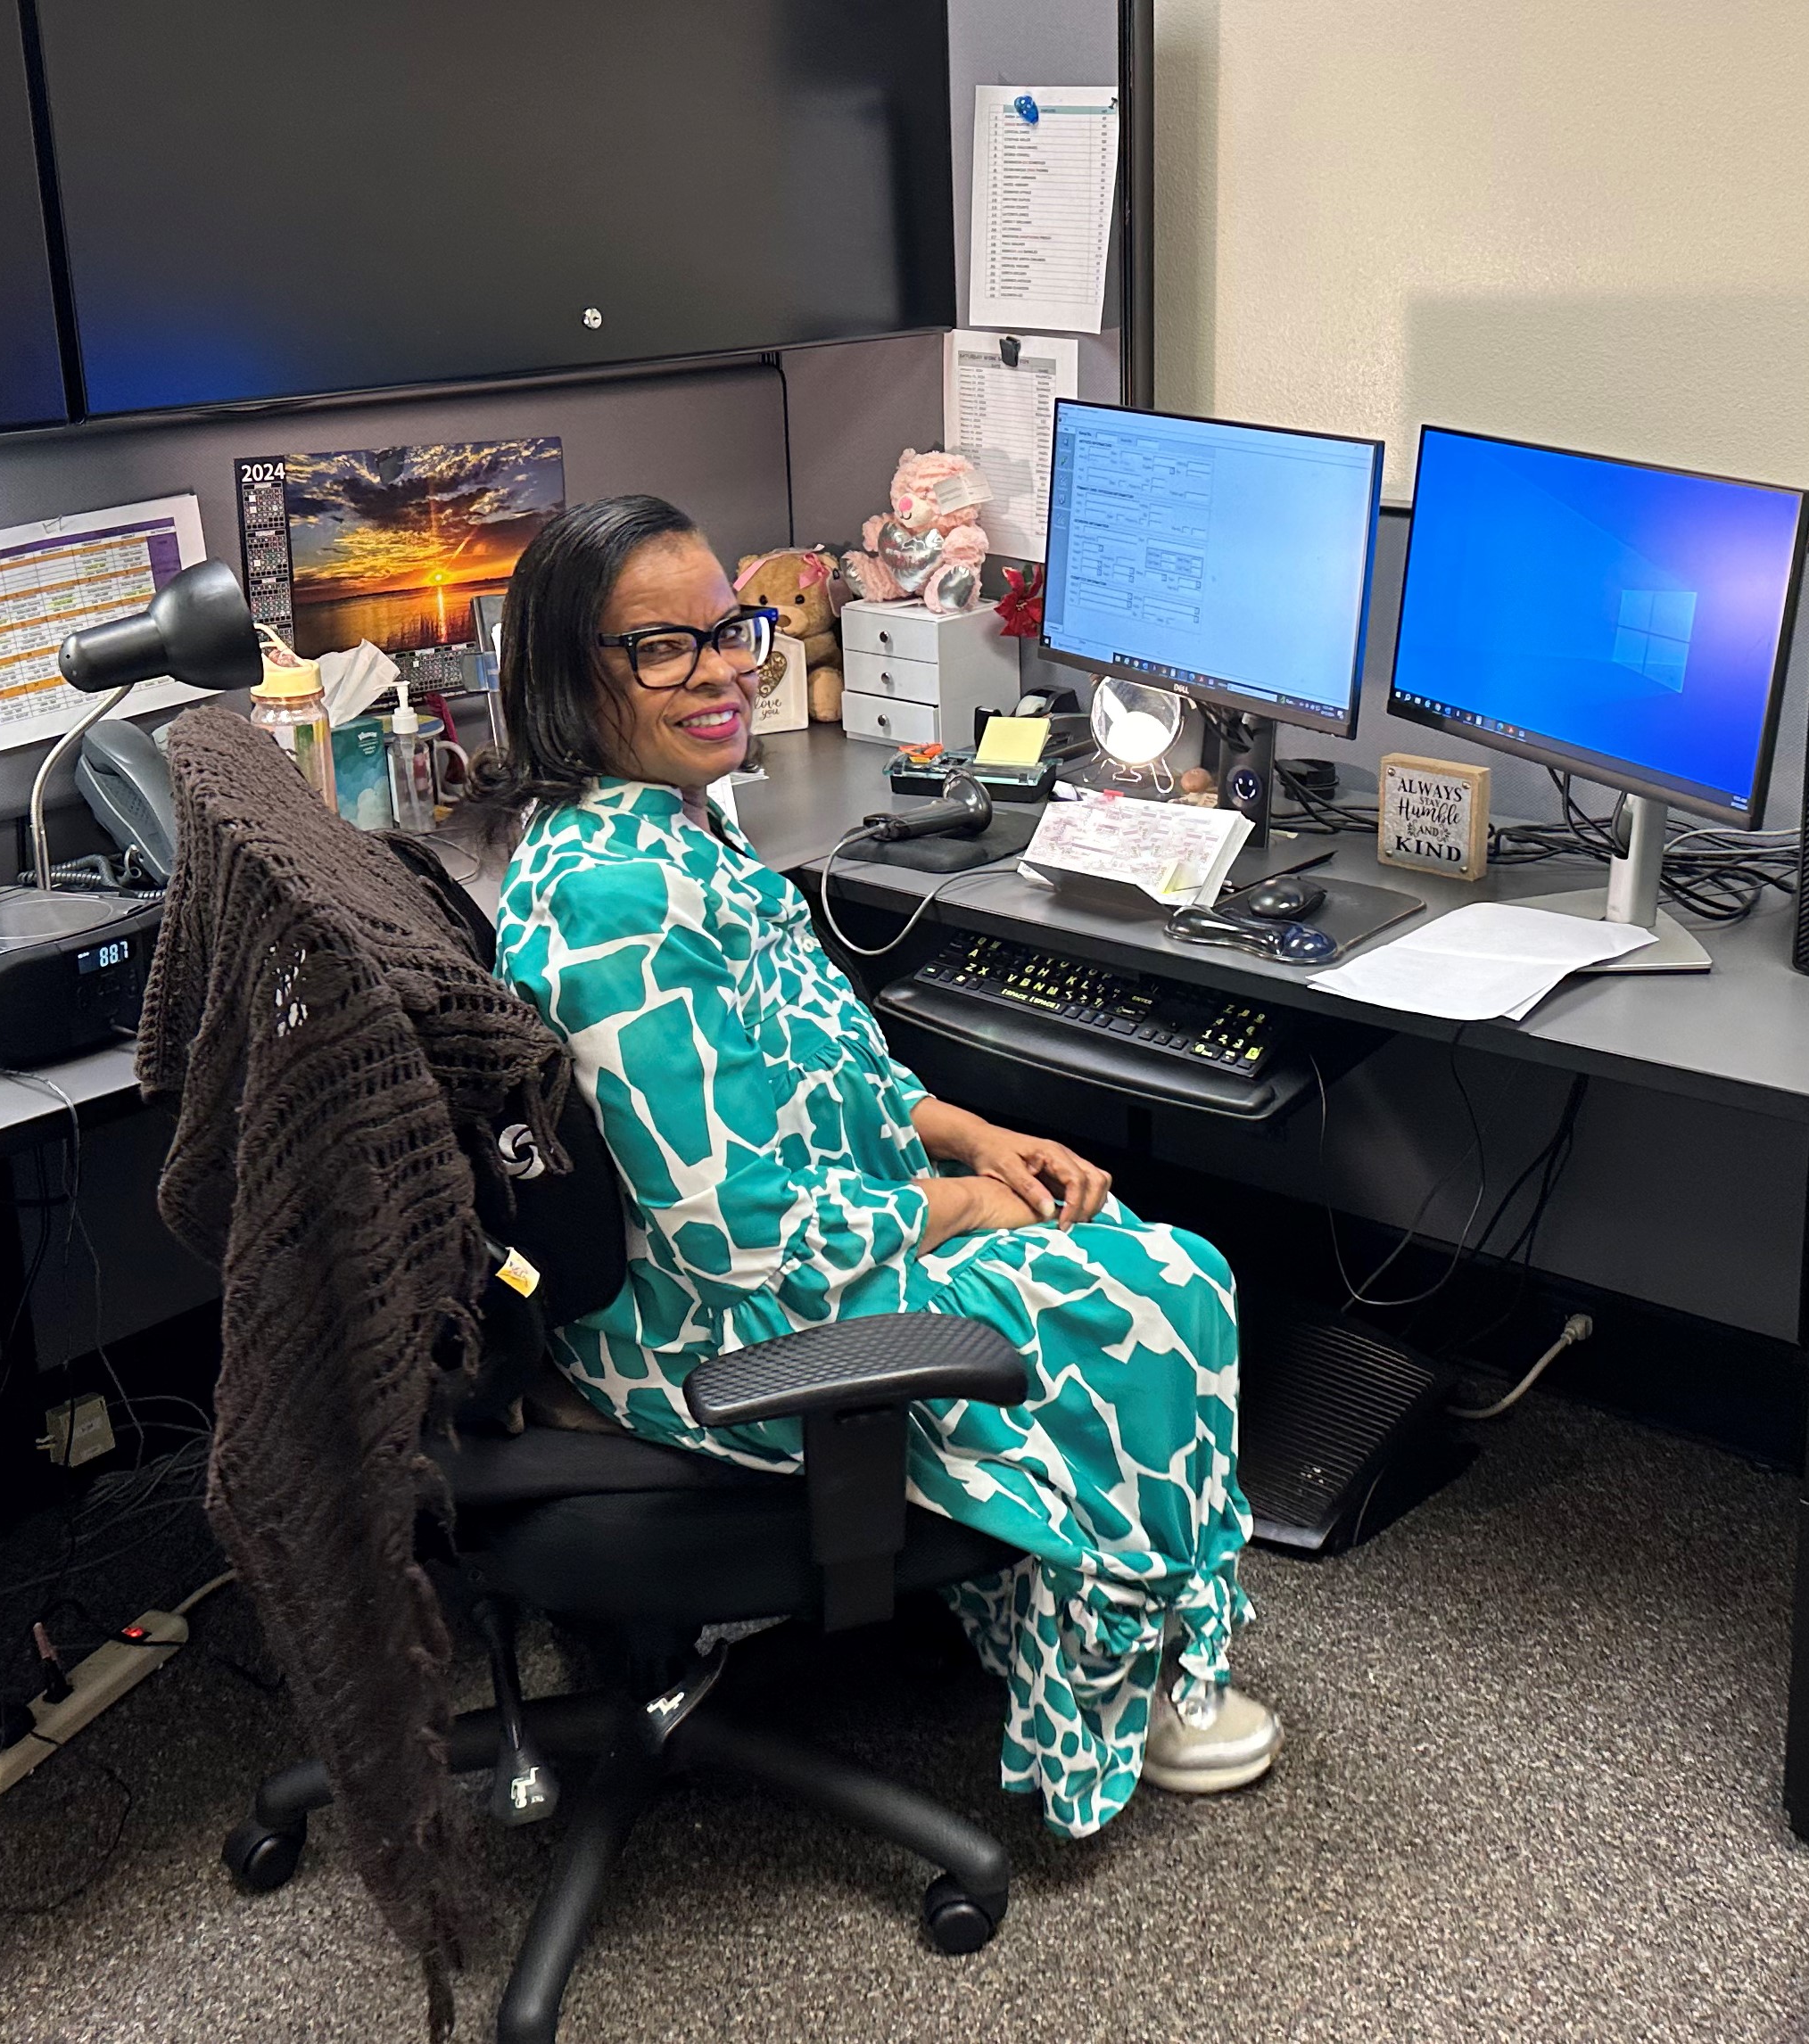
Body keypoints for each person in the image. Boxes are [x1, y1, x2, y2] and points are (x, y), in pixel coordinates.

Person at [482, 494, 1279, 1837]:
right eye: (663, 649)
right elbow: (731, 1227)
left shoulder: (669, 826)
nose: (732, 666)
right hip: (714, 1328)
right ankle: (1131, 1687)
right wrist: (956, 1208)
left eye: (731, 628)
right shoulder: (612, 897)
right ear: (571, 682)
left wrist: (965, 1134)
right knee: (1165, 1290)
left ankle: (1040, 1589)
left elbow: (806, 1063)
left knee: (1102, 1229)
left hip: (764, 1252)